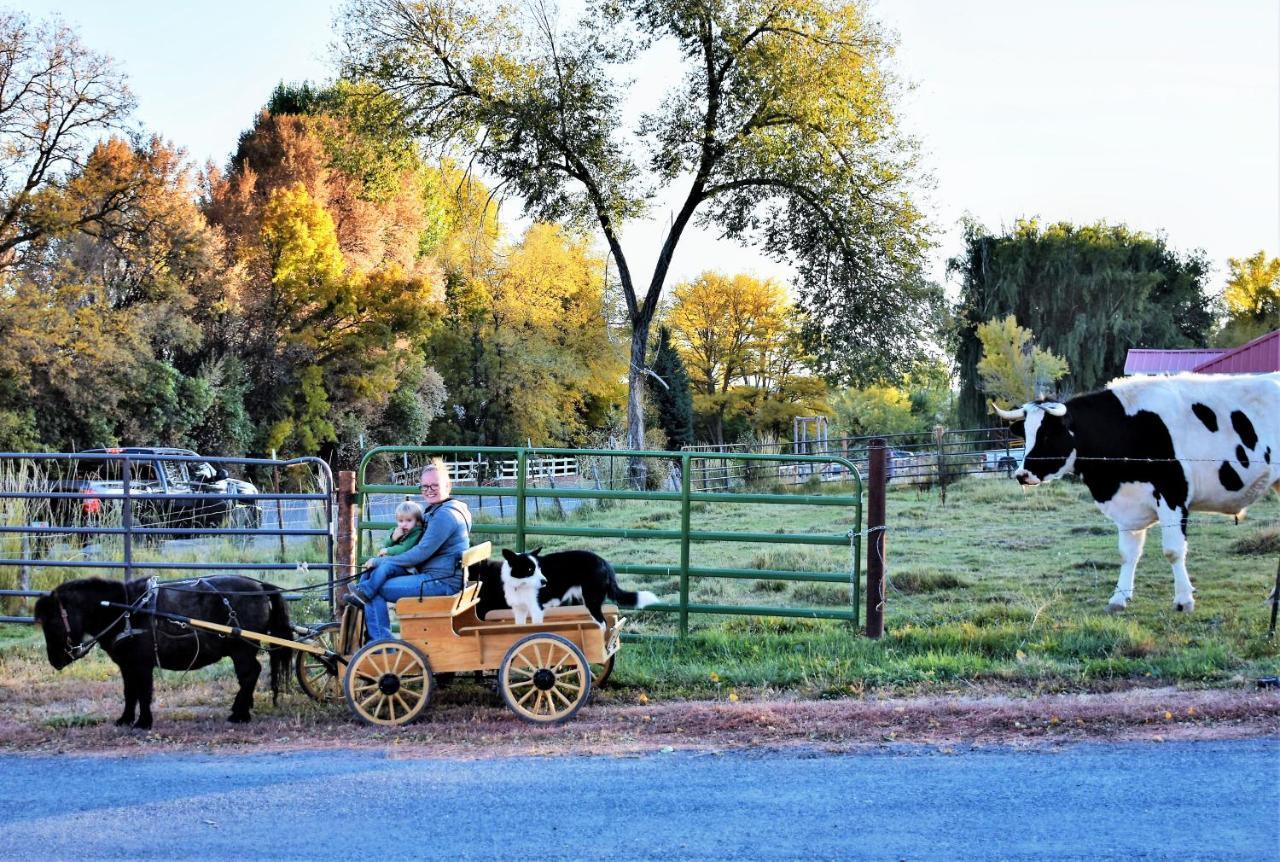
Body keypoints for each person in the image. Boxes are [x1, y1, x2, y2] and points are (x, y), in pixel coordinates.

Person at [347, 459, 472, 641]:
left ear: (447, 485)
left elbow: (420, 553)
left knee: (375, 589)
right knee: (371, 580)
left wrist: (381, 560)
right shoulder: (444, 509)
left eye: (434, 485)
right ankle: (374, 636)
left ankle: (382, 644)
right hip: (442, 576)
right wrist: (393, 539)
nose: (429, 490)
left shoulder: (445, 515)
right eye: (424, 486)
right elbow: (413, 544)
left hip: (441, 581)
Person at [362, 500, 425, 571]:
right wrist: (393, 538)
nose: (404, 524)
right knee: (368, 569)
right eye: (401, 521)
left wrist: (388, 551)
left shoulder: (416, 533)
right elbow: (385, 545)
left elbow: (405, 548)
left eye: (409, 520)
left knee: (382, 570)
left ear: (417, 521)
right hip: (391, 561)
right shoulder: (395, 530)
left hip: (406, 565)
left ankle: (371, 582)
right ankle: (362, 582)